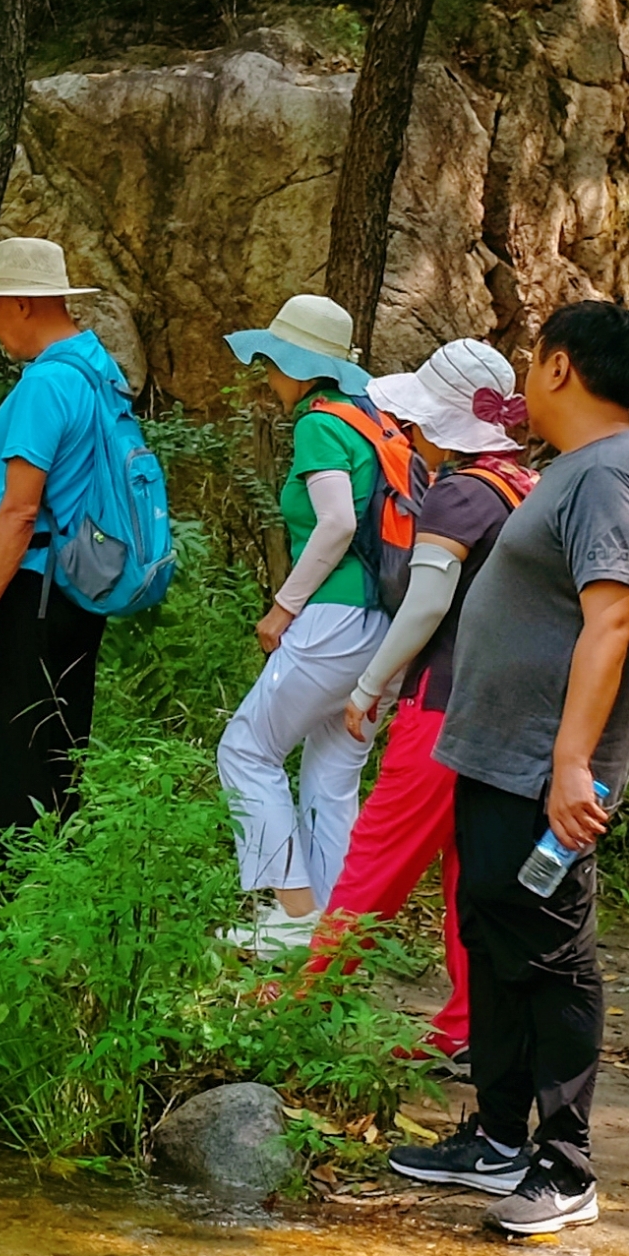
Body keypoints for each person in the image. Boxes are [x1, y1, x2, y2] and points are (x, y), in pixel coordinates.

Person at [389, 299, 629, 1234]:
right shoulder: (578, 471)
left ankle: (566, 1163)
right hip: (501, 756)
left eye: (531, 354)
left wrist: (570, 763)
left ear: (559, 367)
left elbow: (613, 617)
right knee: (497, 936)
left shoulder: (611, 478)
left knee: (551, 954)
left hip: (541, 767)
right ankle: (499, 1135)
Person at [300, 340, 534, 1062]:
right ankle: (471, 1021)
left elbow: (429, 599)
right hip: (506, 711)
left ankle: (305, 1003)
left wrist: (371, 684)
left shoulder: (460, 492)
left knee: (378, 852)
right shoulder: (522, 484)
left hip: (443, 704)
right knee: (470, 870)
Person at [215, 294, 391, 956]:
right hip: (385, 626)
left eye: (272, 360)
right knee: (330, 773)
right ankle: (332, 930)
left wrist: (284, 605)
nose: (266, 372)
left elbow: (338, 522)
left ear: (298, 364)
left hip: (334, 618)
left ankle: (291, 915)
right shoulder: (372, 420)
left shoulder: (319, 423)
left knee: (246, 749)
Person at [0, 236, 129, 833]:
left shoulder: (46, 384)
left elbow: (19, 512)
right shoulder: (96, 368)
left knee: (8, 768)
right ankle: (51, 908)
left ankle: (0, 916)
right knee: (57, 757)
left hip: (28, 589)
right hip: (77, 586)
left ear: (21, 304)